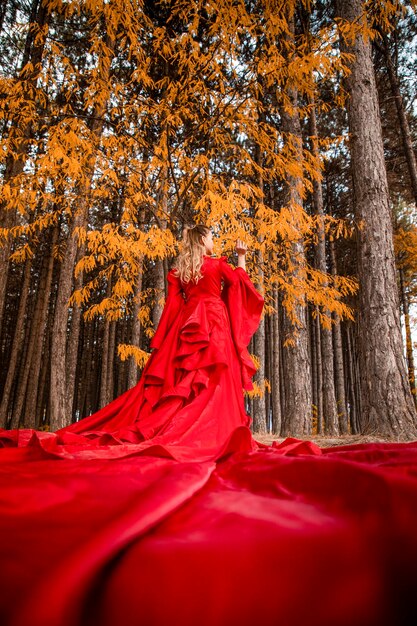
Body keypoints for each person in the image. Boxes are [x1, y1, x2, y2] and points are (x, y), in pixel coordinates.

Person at [55, 224, 265, 451]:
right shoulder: (217, 265)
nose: (213, 242)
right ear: (203, 239)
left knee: (186, 378)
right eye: (212, 237)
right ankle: (215, 429)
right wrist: (241, 259)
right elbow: (238, 284)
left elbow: (173, 306)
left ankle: (184, 422)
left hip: (187, 326)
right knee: (216, 376)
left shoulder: (180, 272)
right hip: (215, 324)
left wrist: (165, 339)